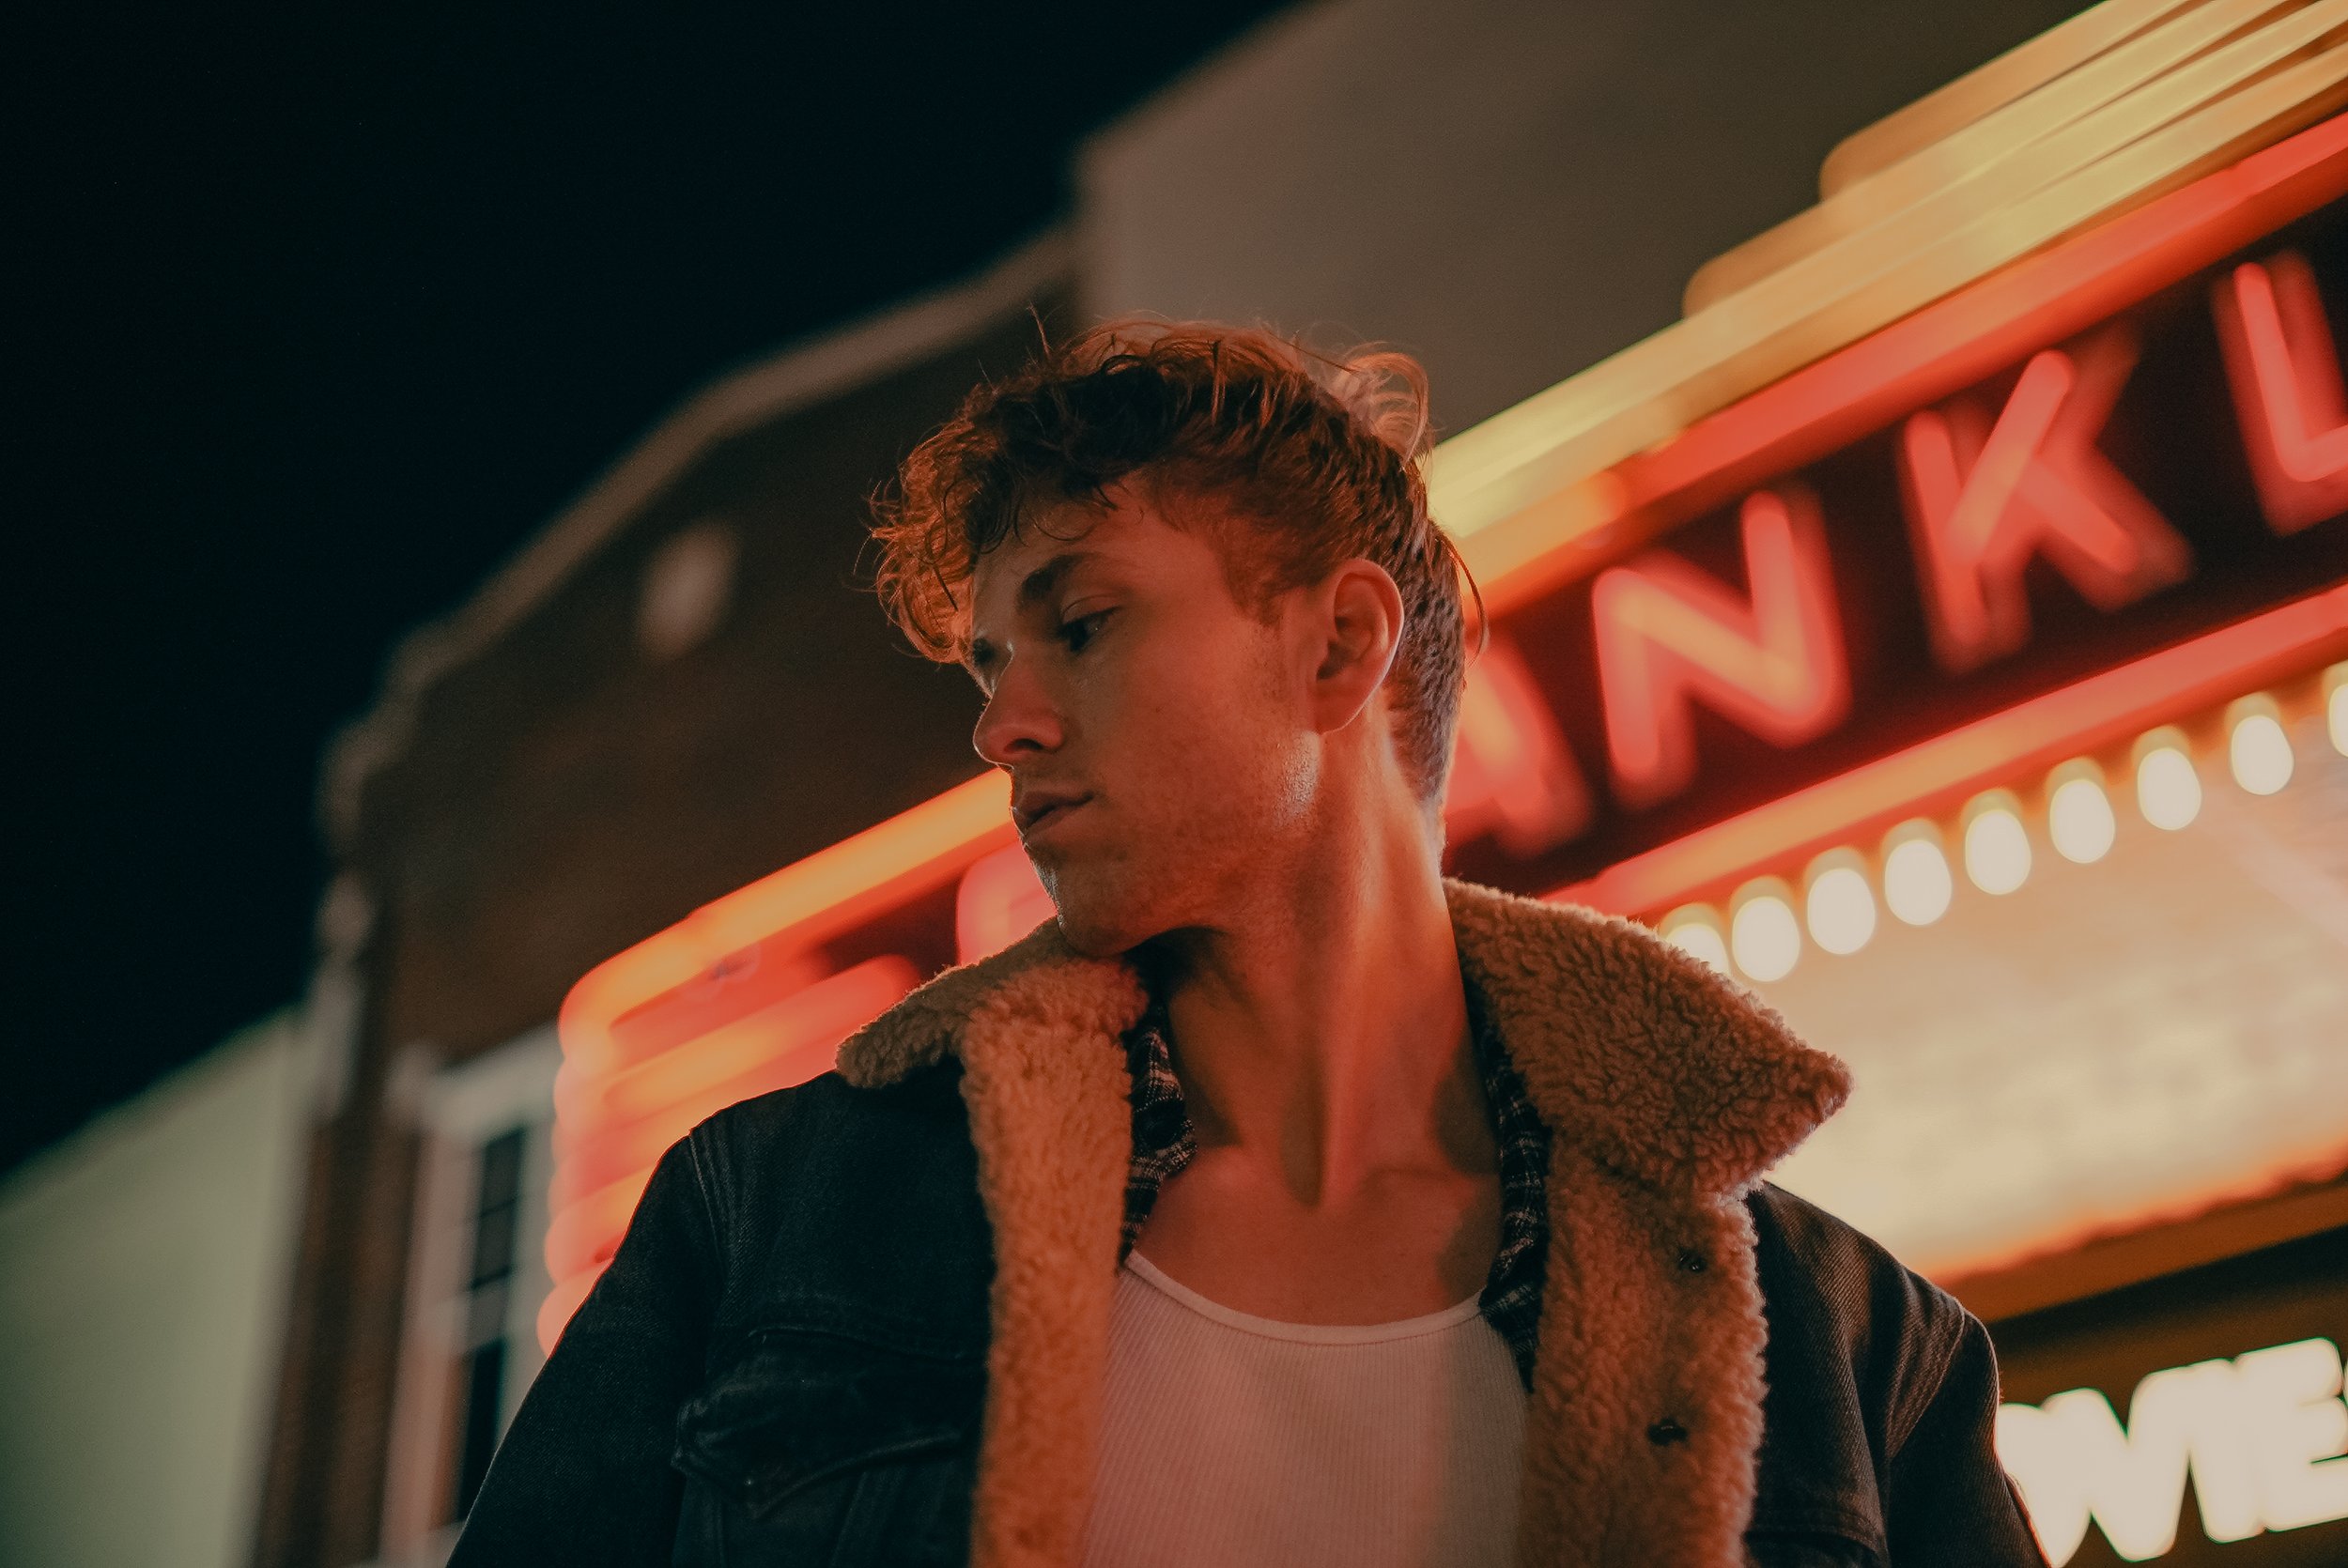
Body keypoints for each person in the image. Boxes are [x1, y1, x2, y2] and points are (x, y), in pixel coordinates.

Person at [452, 323, 2047, 1567]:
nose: (1005, 721)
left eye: (1083, 623)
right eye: (989, 663)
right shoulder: (773, 1224)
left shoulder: (1855, 1347)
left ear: (1342, 642)